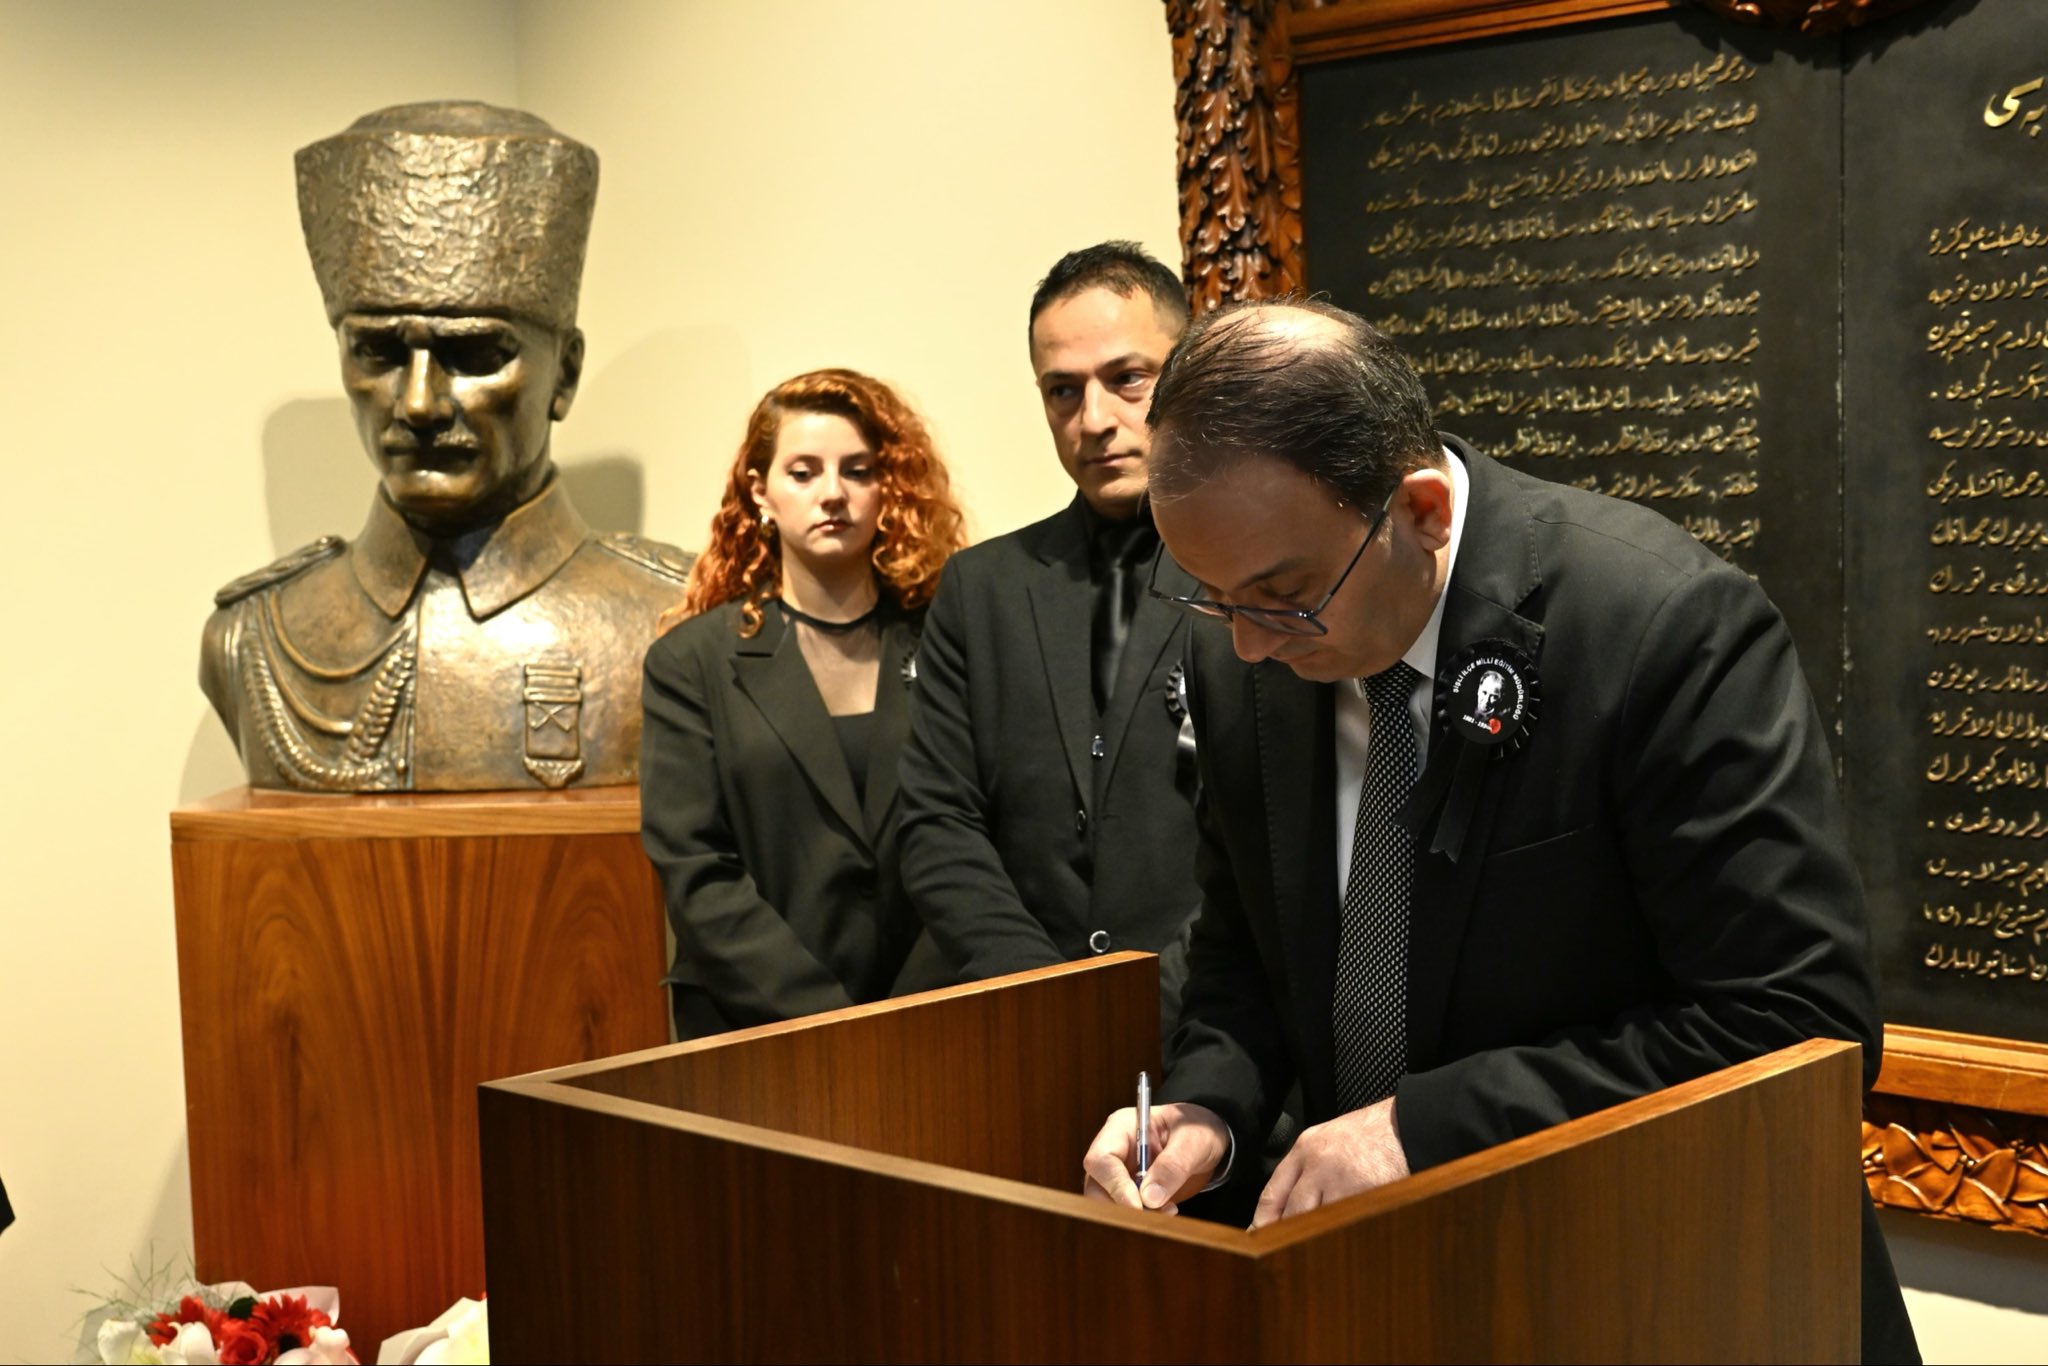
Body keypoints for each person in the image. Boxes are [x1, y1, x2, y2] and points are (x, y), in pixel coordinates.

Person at [1078, 300, 1917, 1362]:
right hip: (1401, 1295)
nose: (1245, 644)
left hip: (1671, 1285)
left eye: (1282, 596)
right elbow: (1246, 954)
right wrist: (1207, 1110)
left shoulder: (1661, 627)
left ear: (1421, 511)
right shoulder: (1242, 656)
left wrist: (1423, 1129)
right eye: (1211, 596)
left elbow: (1798, 1026)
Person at [200, 101, 693, 792]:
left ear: (565, 374)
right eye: (378, 352)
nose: (419, 404)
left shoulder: (676, 622)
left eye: (475, 354)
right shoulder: (255, 639)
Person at [897, 243, 1205, 1034]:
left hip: (1212, 1029)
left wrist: (1147, 1009)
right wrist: (1048, 1003)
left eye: (1127, 378)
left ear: (1188, 371)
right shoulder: (981, 589)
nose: (1093, 420)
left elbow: (1288, 839)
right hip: (1020, 1029)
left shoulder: (1263, 580)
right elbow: (938, 822)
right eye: (1063, 391)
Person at [641, 370, 968, 1038]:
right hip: (754, 1029)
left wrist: (904, 1017)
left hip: (929, 1023)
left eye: (858, 470)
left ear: (888, 488)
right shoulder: (690, 663)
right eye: (803, 472)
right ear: (760, 492)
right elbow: (697, 871)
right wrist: (833, 1025)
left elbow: (982, 836)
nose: (833, 493)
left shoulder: (949, 642)